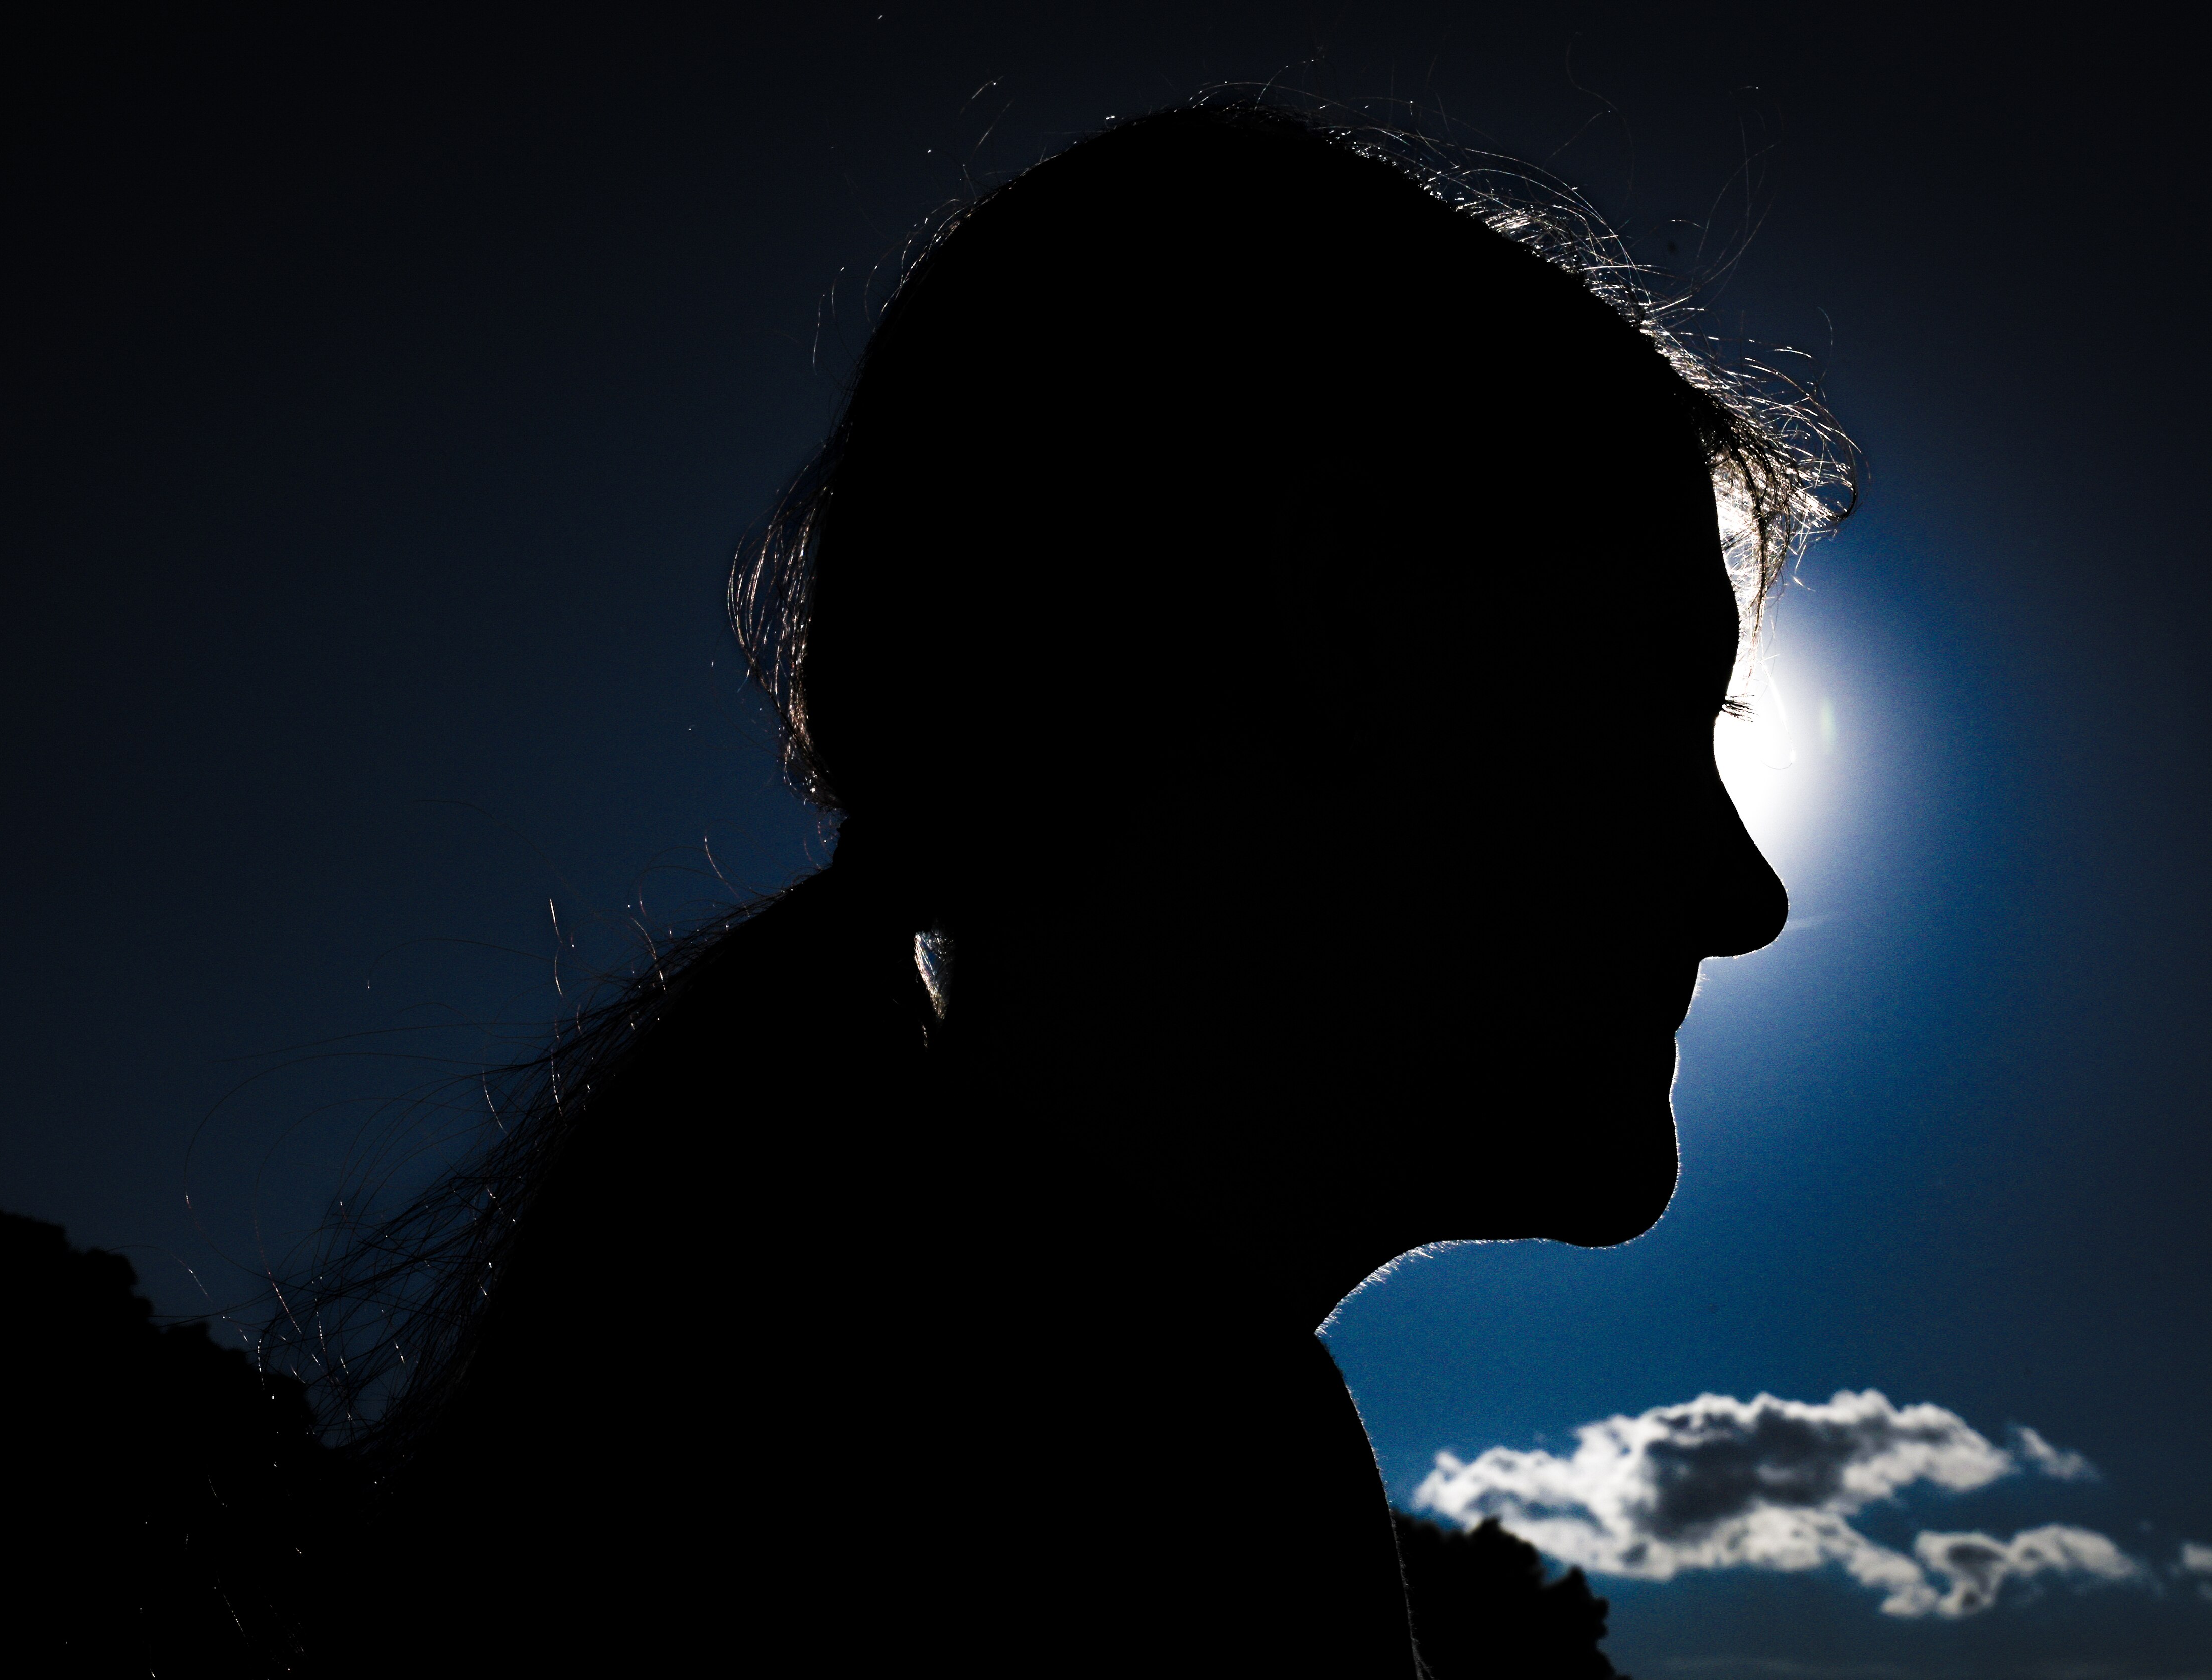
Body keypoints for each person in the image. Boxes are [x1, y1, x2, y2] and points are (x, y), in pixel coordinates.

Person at [298, 100, 1839, 1674]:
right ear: (1345, 616)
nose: (1748, 893)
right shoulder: (1143, 1485)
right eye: (1666, 709)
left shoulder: (782, 1393)